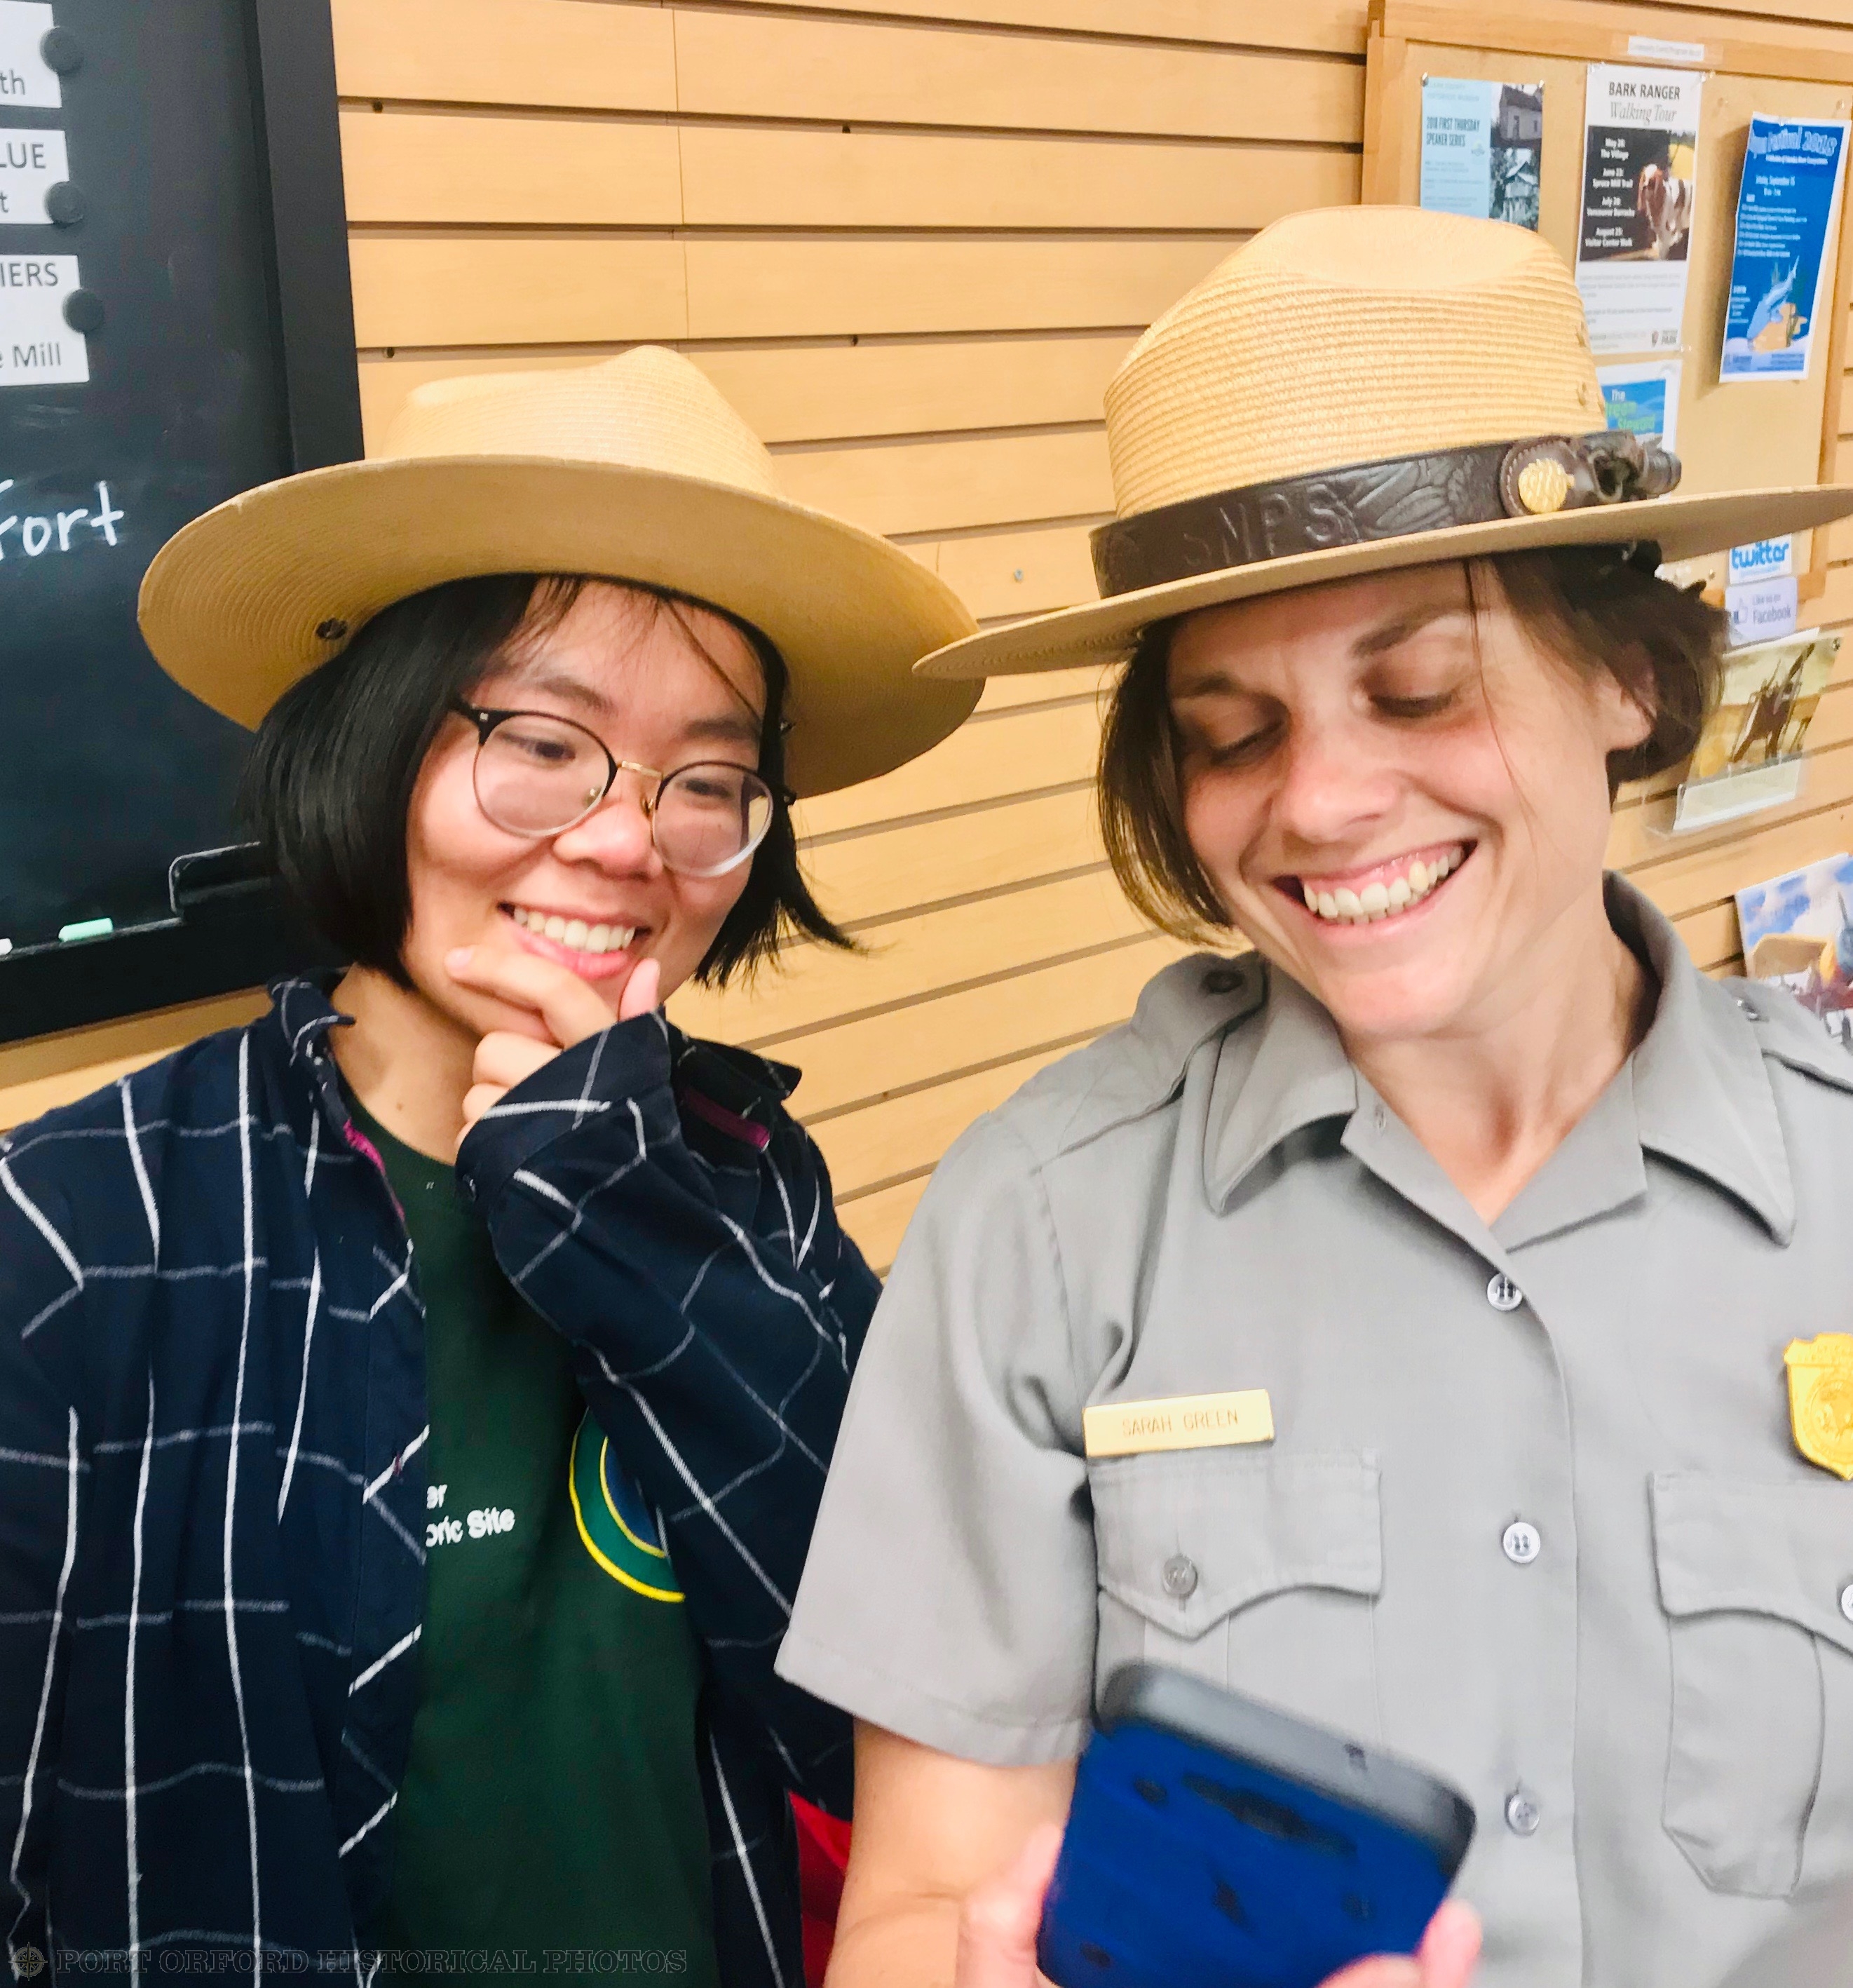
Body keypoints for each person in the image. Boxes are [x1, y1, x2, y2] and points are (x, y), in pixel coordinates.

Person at [774, 208, 1853, 1988]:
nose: (1321, 801)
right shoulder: (1041, 1228)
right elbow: (914, 1911)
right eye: (1232, 732)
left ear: (1627, 676)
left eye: (1415, 690)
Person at [0, 347, 977, 1984]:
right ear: (371, 747)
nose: (627, 839)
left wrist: (644, 1245)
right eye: (541, 739)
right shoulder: (82, 1229)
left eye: (709, 780)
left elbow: (882, 1713)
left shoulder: (748, 1174)